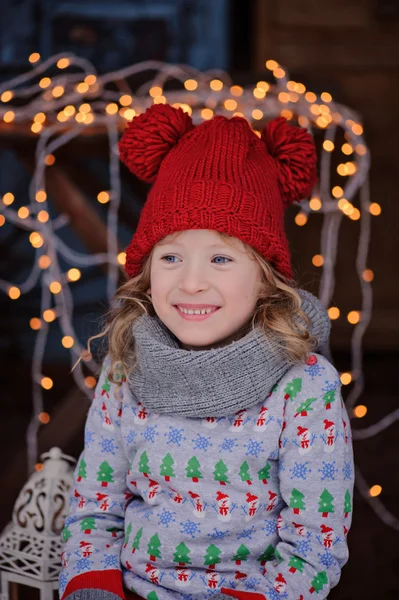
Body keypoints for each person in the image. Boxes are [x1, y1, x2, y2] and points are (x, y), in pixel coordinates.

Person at [59, 105, 354, 600]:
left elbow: (314, 547)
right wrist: (94, 586)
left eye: (221, 258)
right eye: (170, 257)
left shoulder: (305, 386)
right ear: (147, 274)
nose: (191, 282)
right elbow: (94, 507)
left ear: (265, 279)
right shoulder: (126, 366)